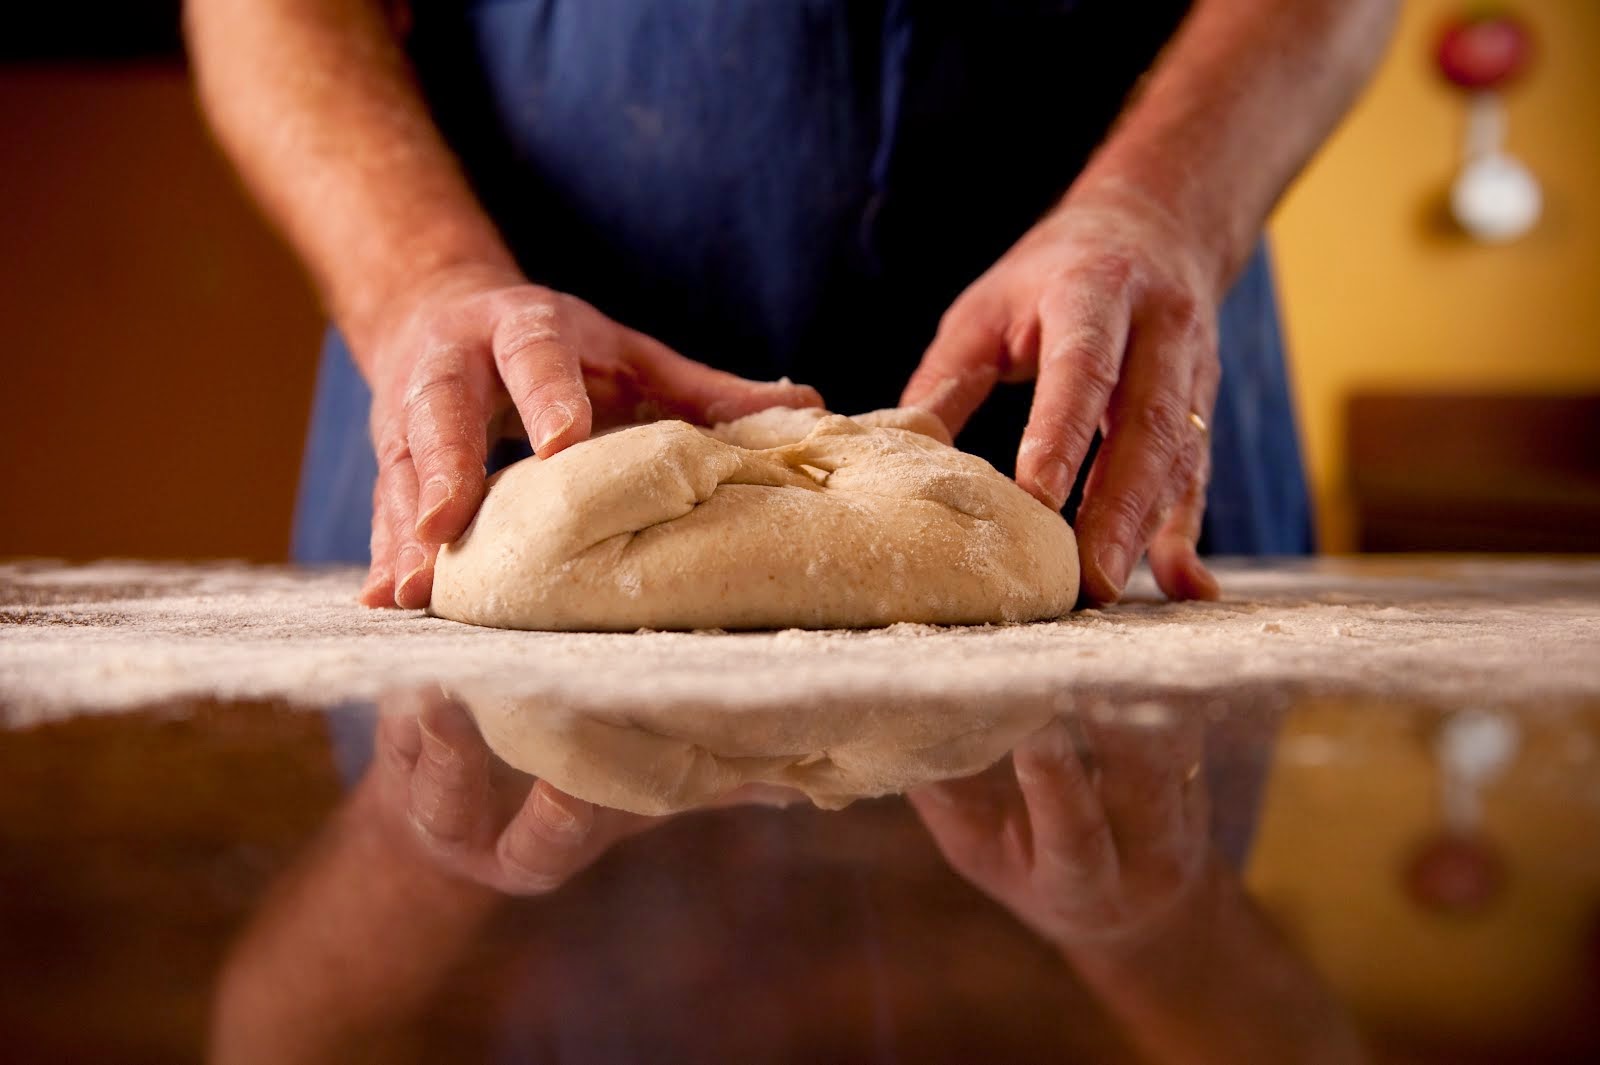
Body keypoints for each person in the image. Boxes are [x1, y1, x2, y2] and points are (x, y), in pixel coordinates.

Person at [186, 0, 1397, 610]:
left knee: (1137, 883)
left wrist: (1165, 207)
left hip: (1104, 355)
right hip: (505, 375)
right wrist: (420, 276)